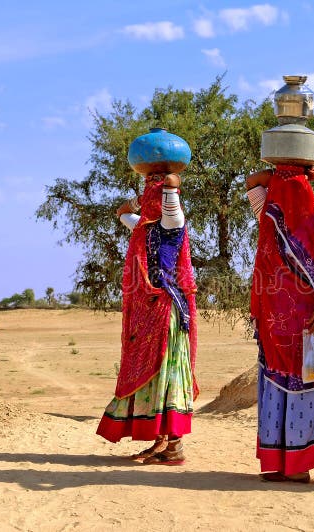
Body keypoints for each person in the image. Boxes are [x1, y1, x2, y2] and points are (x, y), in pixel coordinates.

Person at [246, 164, 314, 483]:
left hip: (311, 327)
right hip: (278, 327)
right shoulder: (270, 219)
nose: (285, 201)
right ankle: (285, 462)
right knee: (283, 388)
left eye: (291, 192)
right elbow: (254, 183)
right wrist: (290, 168)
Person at [96, 172, 199, 465]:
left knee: (167, 370)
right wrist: (144, 197)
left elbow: (172, 184)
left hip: (166, 309)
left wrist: (161, 183)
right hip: (148, 311)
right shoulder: (143, 226)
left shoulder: (173, 222)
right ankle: (163, 441)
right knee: (153, 372)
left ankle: (174, 445)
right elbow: (122, 212)